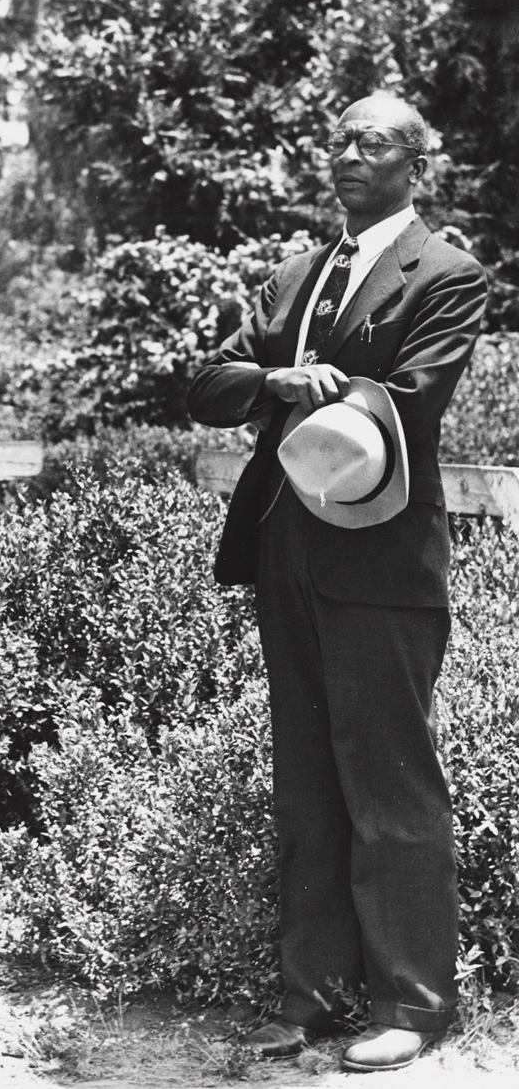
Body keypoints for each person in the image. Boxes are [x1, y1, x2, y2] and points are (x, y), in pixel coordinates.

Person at [188, 93, 486, 1073]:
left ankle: (411, 1004)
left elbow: (414, 395)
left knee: (390, 780)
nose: (349, 155)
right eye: (341, 140)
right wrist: (274, 382)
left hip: (379, 556)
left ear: (415, 165)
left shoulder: (446, 275)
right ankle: (310, 998)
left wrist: (329, 386)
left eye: (374, 142)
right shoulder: (295, 277)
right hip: (287, 553)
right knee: (307, 784)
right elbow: (209, 386)